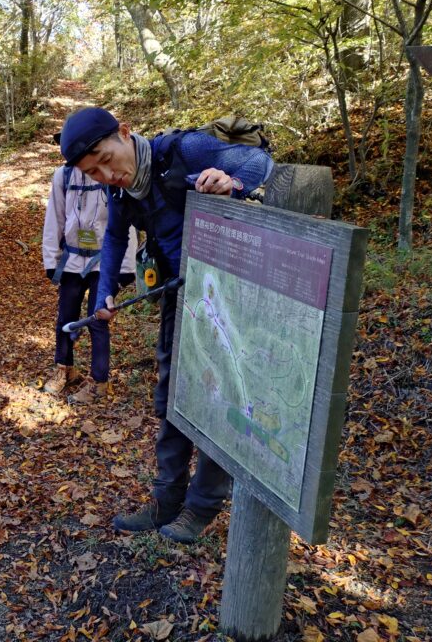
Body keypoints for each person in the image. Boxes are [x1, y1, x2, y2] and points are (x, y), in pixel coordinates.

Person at [59, 106, 273, 543]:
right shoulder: (120, 193)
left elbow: (262, 163)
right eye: (92, 171)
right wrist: (104, 297)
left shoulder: (184, 150)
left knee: (219, 395)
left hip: (226, 297)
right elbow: (115, 237)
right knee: (173, 390)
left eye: (105, 158)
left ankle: (202, 505)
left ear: (124, 132)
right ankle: (166, 498)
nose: (106, 174)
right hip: (181, 295)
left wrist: (231, 182)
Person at [41, 160, 136, 403]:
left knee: (97, 320)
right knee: (65, 317)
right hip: (72, 259)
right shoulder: (63, 175)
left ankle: (99, 382)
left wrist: (124, 269)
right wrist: (51, 260)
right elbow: (55, 217)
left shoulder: (112, 173)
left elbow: (127, 223)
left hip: (105, 262)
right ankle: (65, 369)